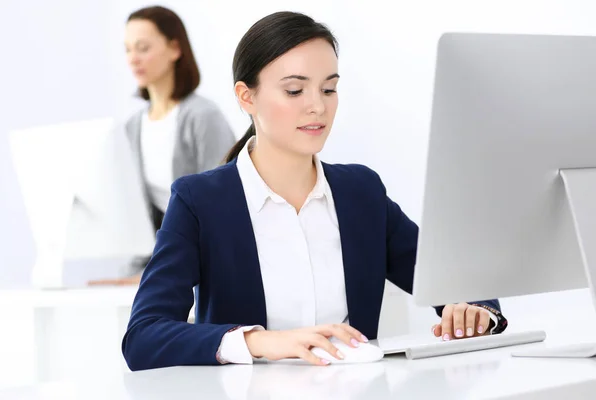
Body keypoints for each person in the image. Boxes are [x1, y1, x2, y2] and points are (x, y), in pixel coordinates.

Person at [122, 11, 508, 370]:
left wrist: (474, 309)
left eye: (328, 89)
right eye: (294, 91)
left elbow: (454, 280)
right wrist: (261, 341)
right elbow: (143, 335)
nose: (317, 107)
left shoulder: (361, 192)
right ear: (246, 97)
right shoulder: (199, 201)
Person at [88, 6, 236, 285]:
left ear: (174, 48)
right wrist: (139, 274)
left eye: (143, 48)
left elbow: (222, 209)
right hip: (166, 261)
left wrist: (163, 274)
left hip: (208, 263)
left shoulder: (203, 117)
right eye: (128, 49)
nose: (133, 59)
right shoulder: (132, 127)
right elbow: (142, 217)